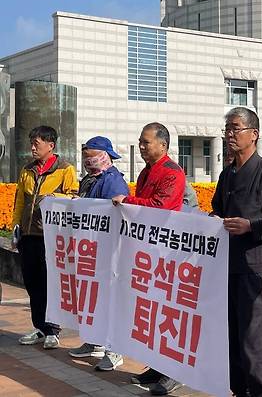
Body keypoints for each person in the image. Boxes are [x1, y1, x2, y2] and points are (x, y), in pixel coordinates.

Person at [211, 107, 262, 397]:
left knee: (253, 337)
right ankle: (239, 389)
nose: (230, 134)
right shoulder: (227, 174)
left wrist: (252, 225)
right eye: (228, 129)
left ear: (254, 134)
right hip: (228, 266)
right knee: (232, 335)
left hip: (256, 266)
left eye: (236, 128)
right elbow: (218, 211)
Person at [112, 122, 186, 396]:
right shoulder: (146, 172)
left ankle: (173, 372)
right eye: (141, 142)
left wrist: (128, 201)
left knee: (168, 313)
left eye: (147, 142)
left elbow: (160, 207)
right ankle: (156, 365)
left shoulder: (172, 172)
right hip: (147, 251)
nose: (142, 146)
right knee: (151, 312)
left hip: (166, 252)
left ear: (163, 145)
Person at [13, 126, 79, 349]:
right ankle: (40, 326)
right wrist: (16, 226)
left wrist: (54, 196)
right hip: (28, 236)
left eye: (37, 144)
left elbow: (73, 197)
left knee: (51, 283)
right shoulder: (27, 170)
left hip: (50, 237)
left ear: (51, 146)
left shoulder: (65, 169)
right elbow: (20, 201)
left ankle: (53, 329)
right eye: (31, 143)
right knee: (32, 283)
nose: (32, 147)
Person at [69, 136, 128, 371]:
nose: (87, 160)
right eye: (84, 156)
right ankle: (94, 341)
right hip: (91, 250)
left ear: (105, 155)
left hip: (107, 251)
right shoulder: (90, 180)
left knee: (111, 300)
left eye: (91, 155)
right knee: (93, 299)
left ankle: (115, 351)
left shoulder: (113, 181)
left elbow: (113, 214)